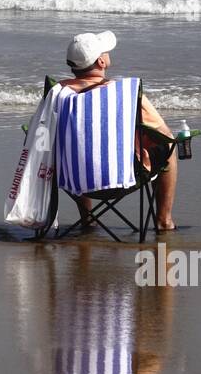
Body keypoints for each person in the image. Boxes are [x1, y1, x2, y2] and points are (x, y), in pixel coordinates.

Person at [57, 30, 179, 231]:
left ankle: (88, 218)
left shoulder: (58, 93)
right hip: (123, 178)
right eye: (104, 52)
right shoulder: (124, 92)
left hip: (73, 178)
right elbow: (164, 134)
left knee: (74, 147)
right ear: (101, 63)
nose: (107, 54)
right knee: (169, 149)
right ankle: (164, 220)